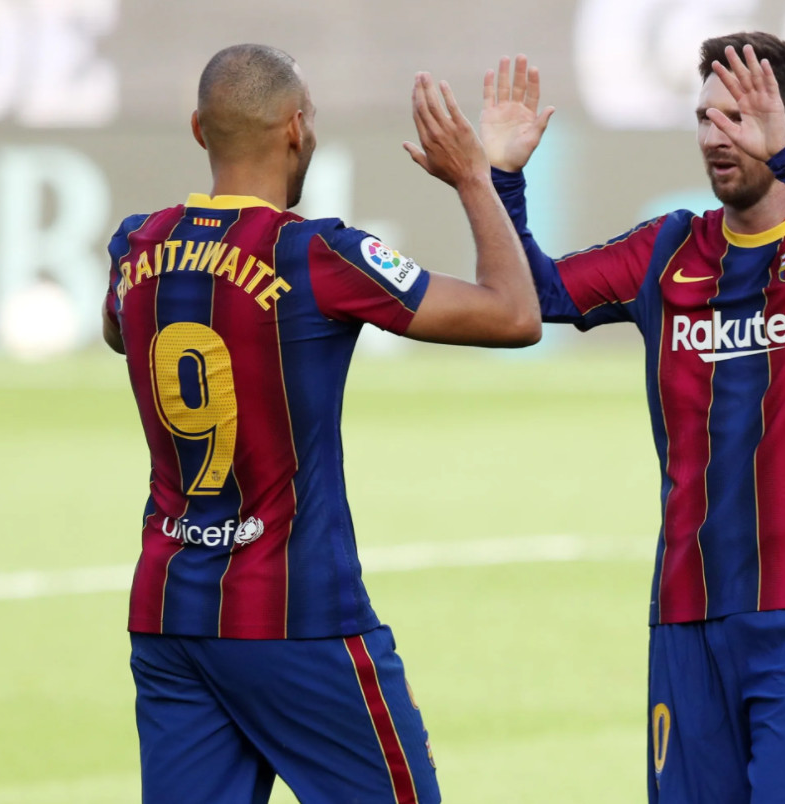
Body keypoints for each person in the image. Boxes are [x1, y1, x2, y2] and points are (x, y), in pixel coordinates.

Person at [479, 33, 785, 803]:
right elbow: (536, 295)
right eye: (705, 118)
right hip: (687, 612)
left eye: (740, 117)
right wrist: (502, 178)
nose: (718, 136)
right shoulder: (667, 251)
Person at [101, 43, 539, 804]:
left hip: (170, 615)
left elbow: (118, 328)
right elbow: (514, 315)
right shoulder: (316, 255)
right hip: (297, 618)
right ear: (297, 129)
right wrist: (474, 174)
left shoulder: (137, 243)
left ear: (199, 129)